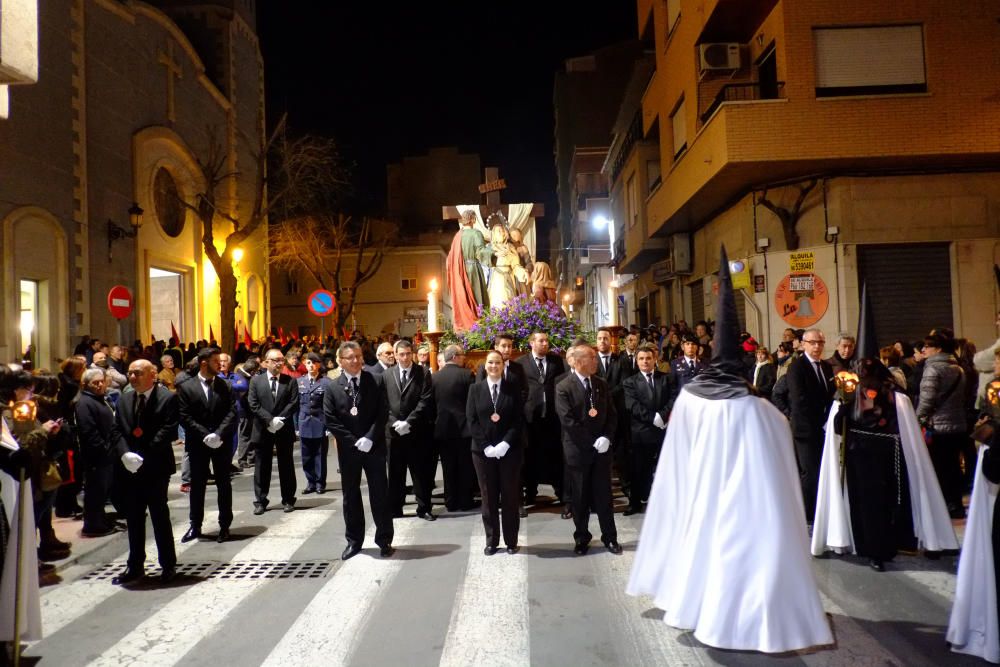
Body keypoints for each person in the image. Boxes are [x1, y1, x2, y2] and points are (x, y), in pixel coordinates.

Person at [628, 246, 833, 653]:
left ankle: (713, 614)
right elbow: (783, 459)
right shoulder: (761, 410)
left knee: (713, 557)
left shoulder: (693, 399)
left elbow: (677, 458)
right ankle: (757, 622)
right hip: (755, 506)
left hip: (707, 498)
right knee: (749, 562)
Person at [812, 286, 957, 571]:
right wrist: (842, 409)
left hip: (889, 462)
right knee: (868, 507)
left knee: (884, 505)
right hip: (859, 461)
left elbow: (907, 435)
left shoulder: (896, 398)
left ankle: (882, 547)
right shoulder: (849, 397)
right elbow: (836, 431)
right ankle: (873, 548)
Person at [110, 359, 179, 585]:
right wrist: (125, 454)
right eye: (129, 373)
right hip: (129, 467)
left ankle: (168, 565)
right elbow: (117, 429)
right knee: (134, 517)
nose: (132, 377)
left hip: (156, 466)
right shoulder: (125, 398)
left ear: (152, 375)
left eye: (138, 373)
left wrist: (143, 456)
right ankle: (135, 565)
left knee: (159, 516)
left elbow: (168, 430)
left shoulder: (167, 398)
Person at [323, 341, 394, 560]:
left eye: (358, 356)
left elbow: (383, 411)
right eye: (350, 358)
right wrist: (353, 441)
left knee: (380, 494)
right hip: (349, 450)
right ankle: (354, 541)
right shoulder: (332, 387)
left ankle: (384, 540)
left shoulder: (375, 380)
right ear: (341, 361)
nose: (355, 361)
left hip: (374, 447)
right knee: (351, 496)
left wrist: (370, 438)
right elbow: (331, 419)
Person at [555, 343, 621, 555]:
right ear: (579, 361)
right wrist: (591, 442)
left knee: (604, 497)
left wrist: (606, 438)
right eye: (592, 357)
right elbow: (568, 421)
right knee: (580, 498)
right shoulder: (564, 386)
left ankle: (610, 537)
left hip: (602, 451)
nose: (595, 361)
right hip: (578, 450)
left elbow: (612, 415)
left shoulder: (600, 384)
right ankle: (582, 537)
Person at [467, 350, 525, 554]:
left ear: (503, 365)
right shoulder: (475, 389)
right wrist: (486, 446)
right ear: (485, 365)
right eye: (490, 362)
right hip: (482, 454)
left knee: (509, 496)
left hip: (509, 451)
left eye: (497, 363)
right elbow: (472, 421)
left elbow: (518, 420)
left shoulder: (513, 389)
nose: (494, 366)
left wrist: (505, 444)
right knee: (488, 497)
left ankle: (511, 541)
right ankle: (492, 541)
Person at [177, 347, 237, 543]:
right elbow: (185, 416)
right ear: (204, 363)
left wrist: (218, 434)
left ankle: (225, 525)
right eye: (215, 361)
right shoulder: (187, 387)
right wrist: (205, 435)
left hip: (221, 441)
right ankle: (195, 525)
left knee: (223, 484)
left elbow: (232, 412)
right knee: (197, 485)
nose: (220, 365)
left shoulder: (225, 385)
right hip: (198, 442)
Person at [916, 333, 968, 518]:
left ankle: (945, 506)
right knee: (954, 466)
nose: (923, 350)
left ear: (938, 349)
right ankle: (956, 504)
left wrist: (917, 419)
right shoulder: (958, 368)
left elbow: (927, 400)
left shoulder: (932, 369)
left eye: (927, 347)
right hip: (958, 425)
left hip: (938, 427)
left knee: (940, 468)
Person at [787, 327, 835, 522]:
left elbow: (830, 395)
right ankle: (808, 516)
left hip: (824, 427)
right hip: (806, 429)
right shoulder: (797, 367)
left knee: (823, 470)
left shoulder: (826, 366)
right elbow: (799, 399)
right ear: (804, 344)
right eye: (813, 342)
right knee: (810, 471)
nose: (817, 346)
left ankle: (823, 510)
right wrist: (819, 420)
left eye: (820, 343)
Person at [385, 339, 436, 520]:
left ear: (412, 354)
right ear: (395, 355)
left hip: (417, 432)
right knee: (395, 472)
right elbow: (384, 404)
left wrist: (409, 422)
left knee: (420, 472)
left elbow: (425, 401)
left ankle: (424, 508)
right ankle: (395, 508)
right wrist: (395, 423)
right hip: (394, 433)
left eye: (408, 354)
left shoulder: (423, 373)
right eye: (401, 354)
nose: (405, 357)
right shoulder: (387, 375)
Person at [516, 332, 567, 506]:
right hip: (531, 417)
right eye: (541, 341)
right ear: (532, 343)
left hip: (553, 416)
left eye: (547, 340)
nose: (545, 343)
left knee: (554, 456)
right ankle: (530, 492)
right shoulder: (521, 363)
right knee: (530, 457)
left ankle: (561, 492)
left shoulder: (556, 361)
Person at [248, 348, 301, 514]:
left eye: (281, 360)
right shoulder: (256, 381)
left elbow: (294, 403)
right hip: (263, 429)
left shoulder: (289, 381)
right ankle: (261, 500)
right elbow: (253, 403)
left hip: (283, 428)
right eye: (276, 360)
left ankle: (288, 499)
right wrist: (270, 420)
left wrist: (280, 419)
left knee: (286, 465)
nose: (279, 363)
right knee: (262, 466)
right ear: (266, 362)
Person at [621, 343, 672, 515]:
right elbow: (632, 405)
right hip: (641, 433)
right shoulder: (630, 382)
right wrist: (653, 418)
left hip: (663, 430)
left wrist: (662, 416)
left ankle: (665, 502)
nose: (645, 361)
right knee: (638, 469)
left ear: (655, 359)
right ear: (637, 361)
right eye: (641, 358)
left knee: (664, 468)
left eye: (648, 358)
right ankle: (635, 502)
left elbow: (673, 398)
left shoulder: (666, 378)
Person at [74, 368, 118, 537]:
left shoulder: (99, 399)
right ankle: (93, 525)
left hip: (105, 454)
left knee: (102, 490)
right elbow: (88, 431)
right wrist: (104, 449)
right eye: (95, 383)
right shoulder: (84, 402)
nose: (100, 385)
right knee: (95, 491)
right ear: (85, 385)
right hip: (96, 456)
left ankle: (99, 520)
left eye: (102, 381)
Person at [433, 345, 476, 512]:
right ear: (456, 356)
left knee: (448, 467)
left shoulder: (435, 377)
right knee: (465, 466)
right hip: (464, 428)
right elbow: (472, 402)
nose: (464, 358)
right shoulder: (466, 375)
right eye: (462, 355)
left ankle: (450, 501)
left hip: (443, 429)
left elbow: (431, 404)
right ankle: (465, 500)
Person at [446, 209, 490, 330]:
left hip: (460, 271)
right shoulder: (476, 233)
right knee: (477, 296)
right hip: (473, 269)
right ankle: (479, 323)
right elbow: (481, 252)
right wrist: (493, 250)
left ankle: (466, 324)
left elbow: (450, 257)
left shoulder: (457, 236)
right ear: (473, 219)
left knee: (464, 296)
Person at [297, 352, 331, 495]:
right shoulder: (299, 382)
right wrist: (295, 427)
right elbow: (296, 406)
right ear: (305, 364)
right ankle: (310, 482)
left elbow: (329, 407)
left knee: (320, 455)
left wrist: (329, 426)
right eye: (309, 363)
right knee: (306, 456)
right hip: (304, 422)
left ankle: (319, 483)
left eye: (315, 363)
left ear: (319, 365)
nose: (312, 365)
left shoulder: (326, 382)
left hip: (320, 423)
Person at [669, 333, 705, 402]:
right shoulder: (675, 363)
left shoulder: (704, 363)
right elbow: (672, 387)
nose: (690, 347)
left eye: (693, 344)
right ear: (682, 347)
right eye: (687, 344)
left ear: (697, 347)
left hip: (700, 402)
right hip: (682, 402)